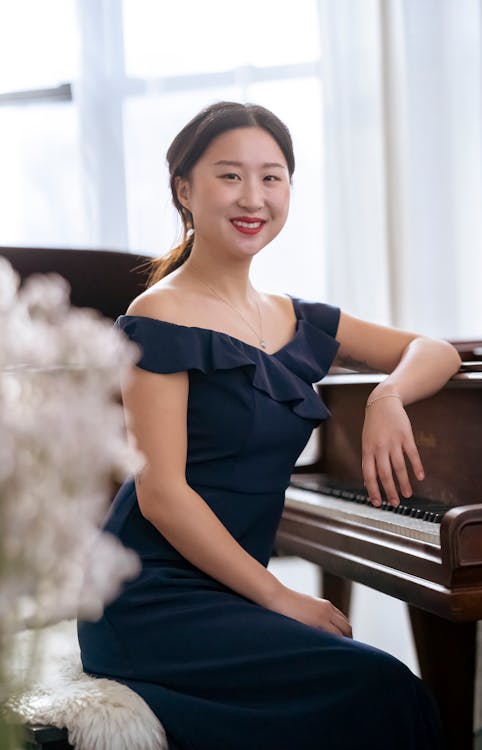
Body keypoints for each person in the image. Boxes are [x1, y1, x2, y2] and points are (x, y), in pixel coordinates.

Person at [78, 101, 460, 750]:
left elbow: (436, 350)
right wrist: (281, 598)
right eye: (229, 176)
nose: (253, 196)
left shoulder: (297, 317)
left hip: (229, 590)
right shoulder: (159, 316)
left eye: (272, 176)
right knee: (381, 687)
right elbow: (162, 495)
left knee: (373, 692)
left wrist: (387, 395)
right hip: (149, 598)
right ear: (184, 191)